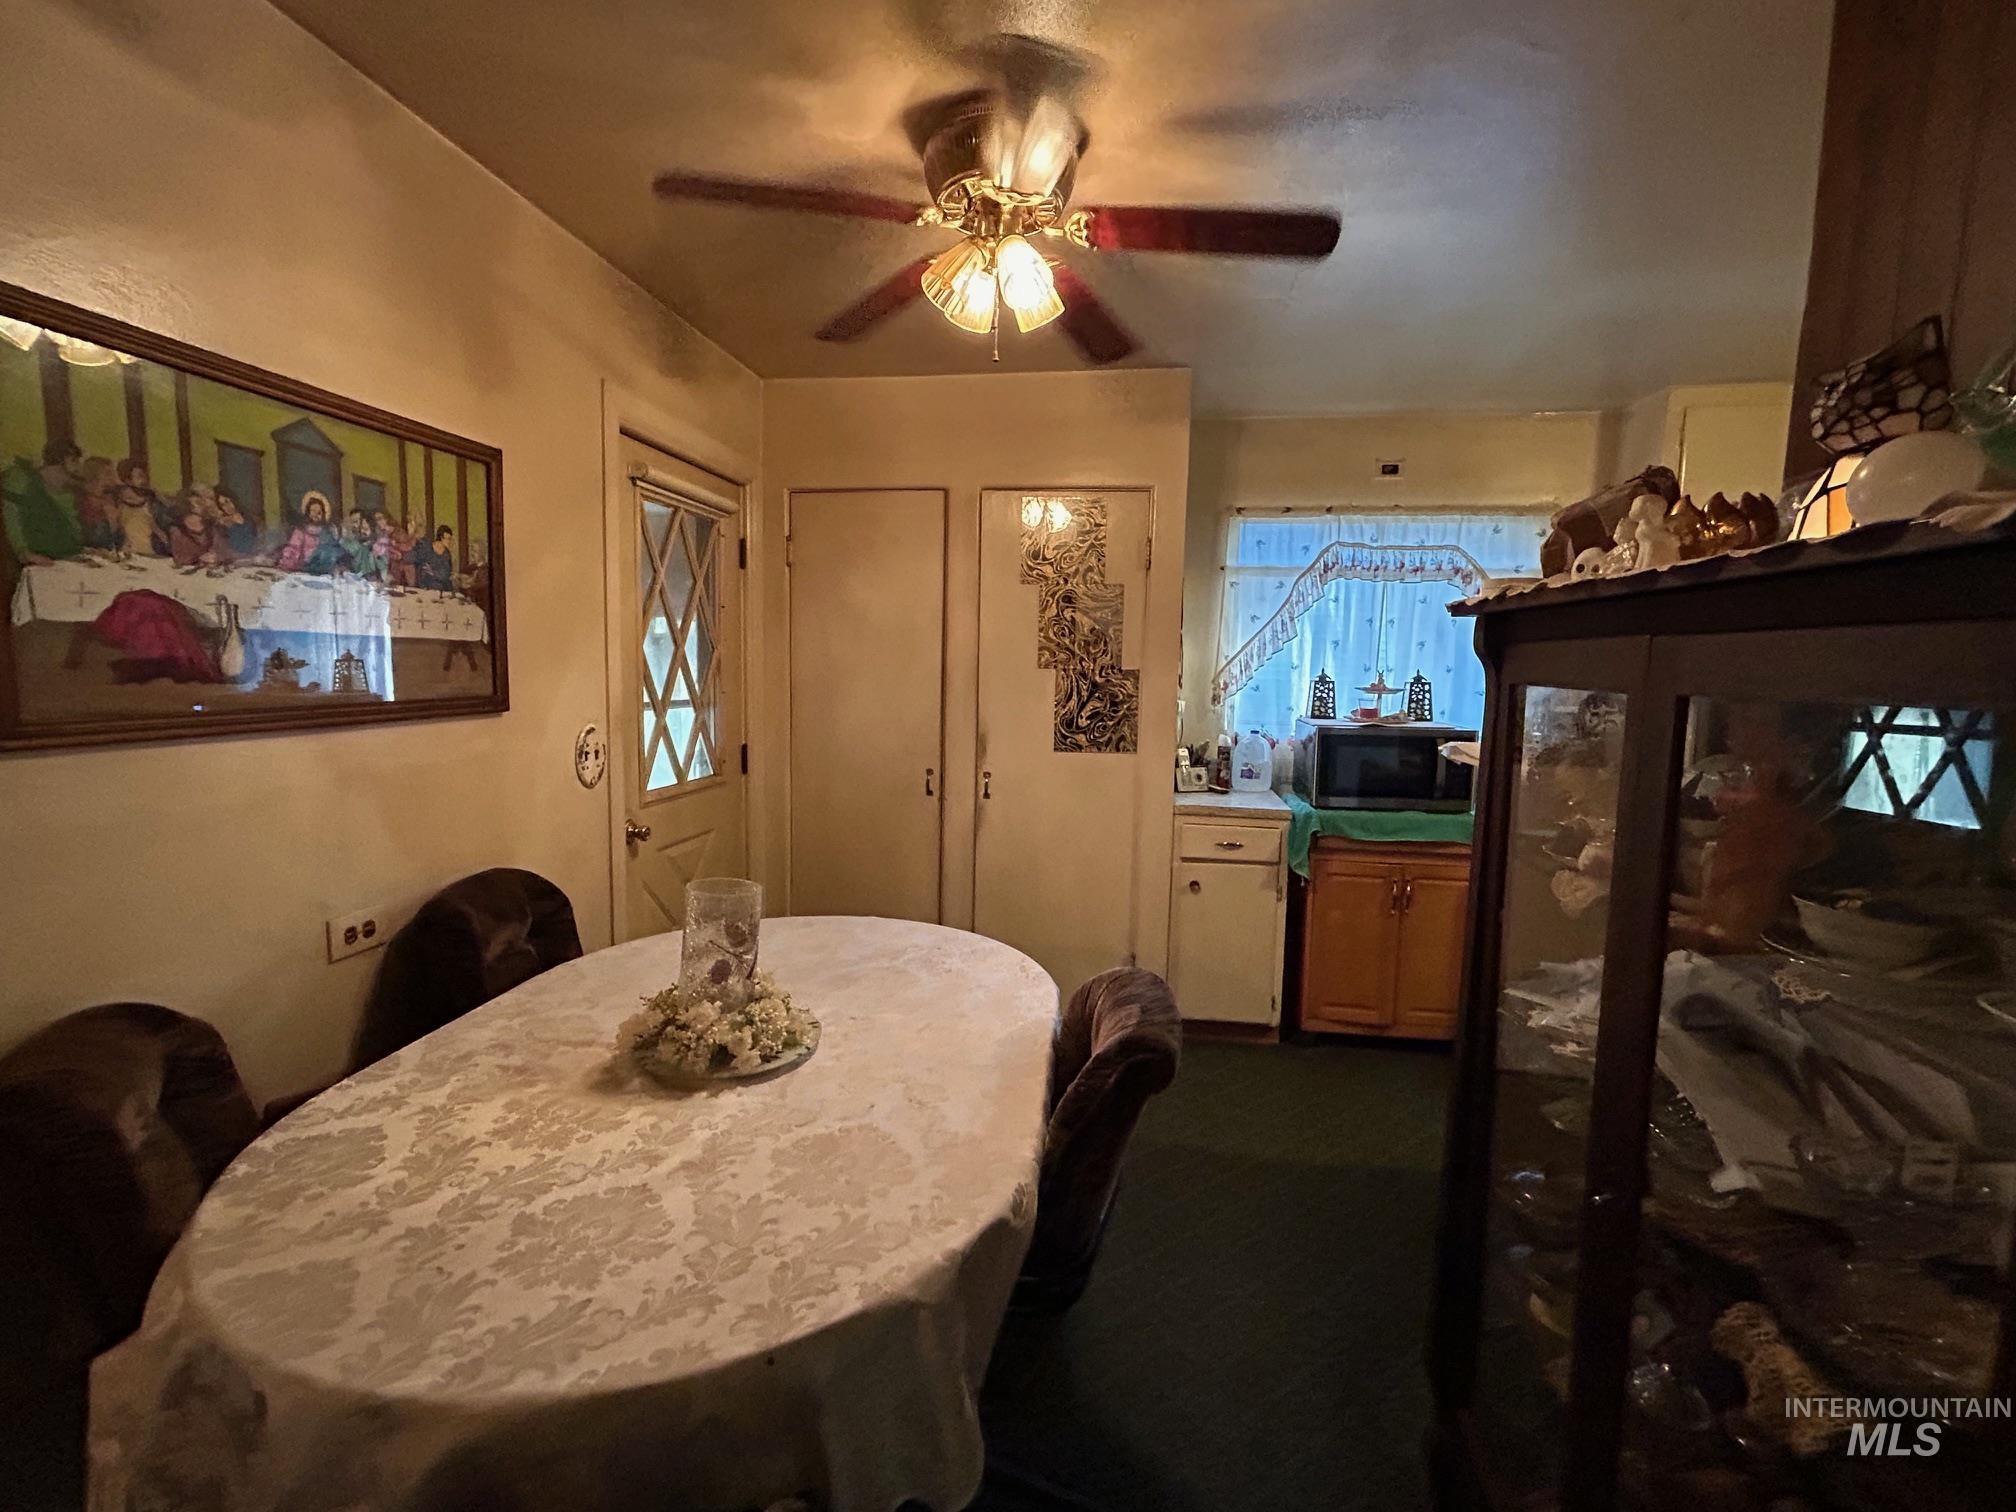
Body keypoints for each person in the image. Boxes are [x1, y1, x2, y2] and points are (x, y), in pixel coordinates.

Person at [1, 438, 88, 564]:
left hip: (62, 562)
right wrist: (24, 553)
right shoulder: (23, 482)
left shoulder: (66, 494)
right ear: (57, 462)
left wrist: (82, 551)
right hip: (31, 562)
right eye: (73, 461)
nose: (78, 467)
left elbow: (70, 533)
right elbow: (12, 520)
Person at [275, 490, 337, 573]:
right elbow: (293, 550)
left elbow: (334, 551)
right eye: (313, 511)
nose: (316, 515)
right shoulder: (300, 531)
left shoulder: (327, 533)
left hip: (324, 572)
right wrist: (286, 563)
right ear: (308, 512)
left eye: (319, 512)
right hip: (303, 571)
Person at [114, 482, 164, 558]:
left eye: (129, 493)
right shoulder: (122, 507)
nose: (126, 496)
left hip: (146, 546)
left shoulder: (147, 505)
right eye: (124, 495)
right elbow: (120, 527)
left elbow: (154, 527)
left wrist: (164, 539)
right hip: (129, 547)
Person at [408, 525, 457, 591]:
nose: (450, 541)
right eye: (448, 539)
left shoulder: (446, 554)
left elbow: (446, 574)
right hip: (424, 581)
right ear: (441, 538)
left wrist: (433, 572)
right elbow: (415, 558)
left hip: (440, 584)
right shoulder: (426, 546)